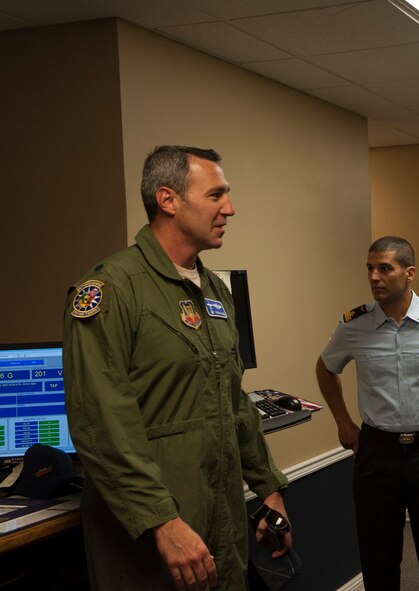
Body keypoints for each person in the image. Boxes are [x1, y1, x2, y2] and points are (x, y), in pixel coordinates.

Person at [63, 146, 291, 590]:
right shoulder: (111, 291)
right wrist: (161, 522)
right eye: (216, 195)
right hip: (151, 537)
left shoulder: (215, 292)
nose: (229, 208)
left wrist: (269, 489)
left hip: (218, 523)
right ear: (168, 200)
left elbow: (235, 404)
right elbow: (100, 425)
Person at [315, 236, 419, 591]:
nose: (374, 276)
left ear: (409, 273)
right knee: (379, 563)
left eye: (384, 268)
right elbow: (326, 368)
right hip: (376, 453)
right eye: (370, 269)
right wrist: (344, 423)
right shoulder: (354, 325)